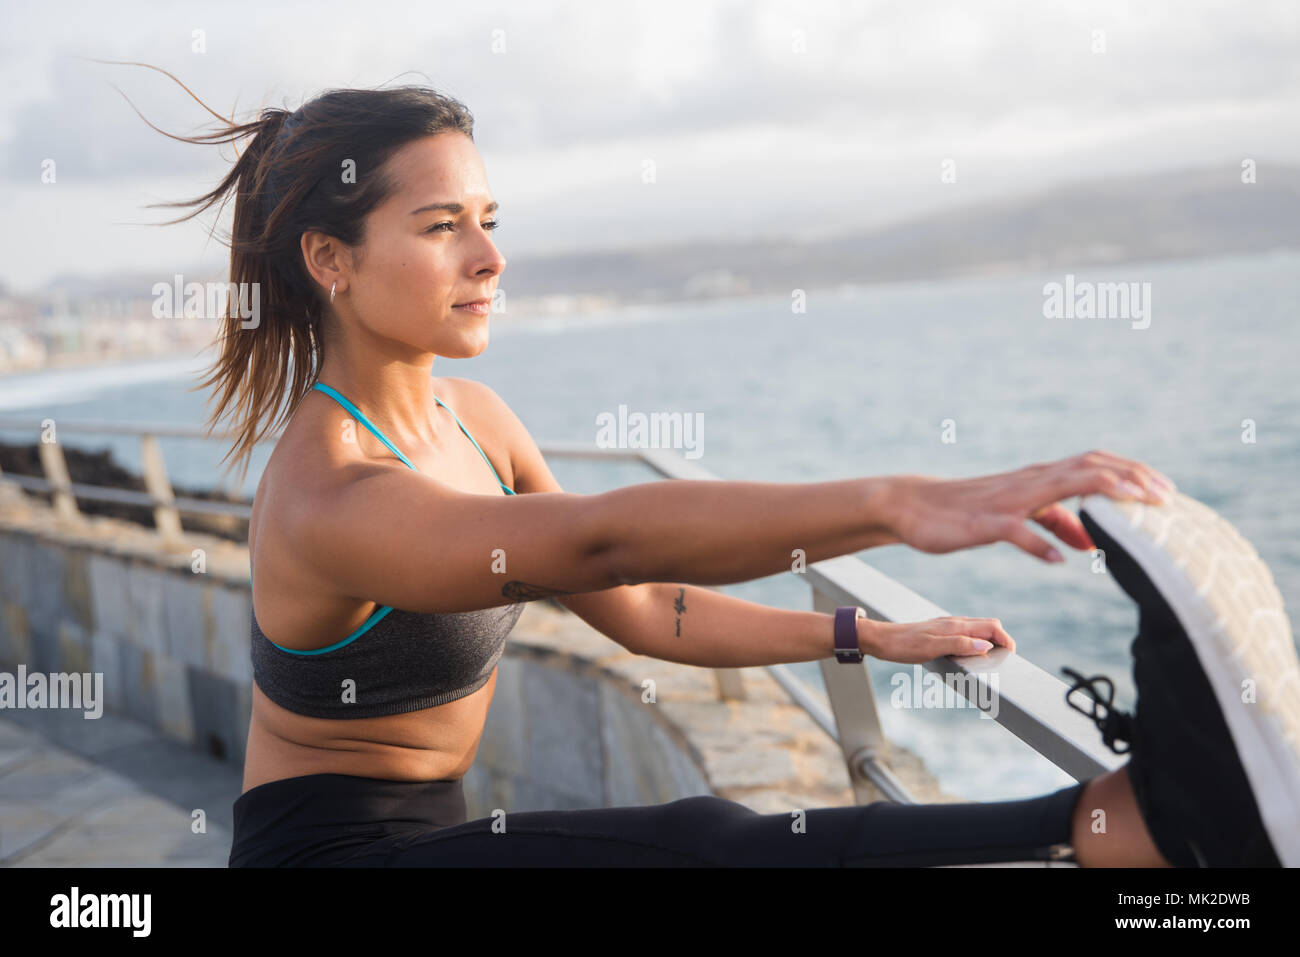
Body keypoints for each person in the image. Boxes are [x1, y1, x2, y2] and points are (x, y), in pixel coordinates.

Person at [112, 63, 1295, 867]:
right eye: (441, 228)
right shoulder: (331, 492)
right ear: (330, 256)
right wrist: (906, 501)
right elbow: (601, 540)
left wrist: (861, 638)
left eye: (489, 218)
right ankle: (1120, 824)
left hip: (435, 827)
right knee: (702, 842)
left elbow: (643, 608)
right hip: (331, 856)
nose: (489, 258)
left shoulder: (473, 417)